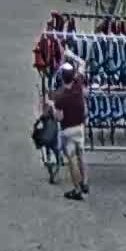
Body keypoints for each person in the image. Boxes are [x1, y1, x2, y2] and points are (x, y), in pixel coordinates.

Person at [41, 57, 90, 201]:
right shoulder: (78, 84)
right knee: (81, 155)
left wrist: (51, 105)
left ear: (62, 78)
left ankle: (77, 190)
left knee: (72, 160)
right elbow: (82, 64)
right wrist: (71, 54)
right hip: (80, 127)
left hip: (68, 130)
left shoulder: (60, 96)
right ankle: (85, 182)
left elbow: (59, 117)